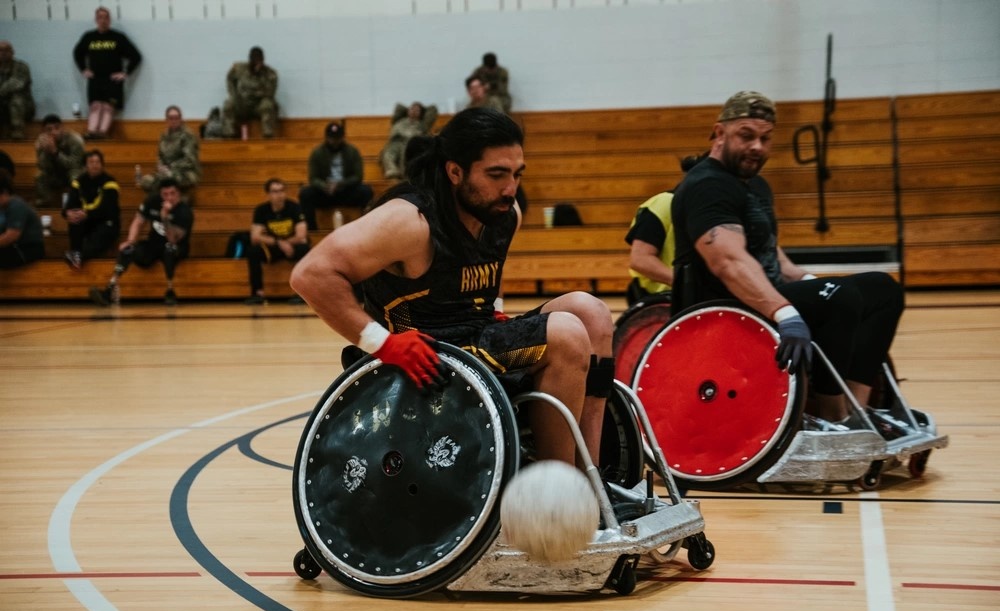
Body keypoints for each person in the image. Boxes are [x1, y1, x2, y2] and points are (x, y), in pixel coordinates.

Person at [290, 107, 615, 468]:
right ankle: (560, 494)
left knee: (592, 313)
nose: (510, 189)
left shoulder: (504, 214)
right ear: (455, 171)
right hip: (433, 358)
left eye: (516, 174)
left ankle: (593, 474)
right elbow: (311, 275)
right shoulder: (409, 221)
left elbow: (489, 266)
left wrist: (495, 305)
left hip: (478, 341)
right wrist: (382, 343)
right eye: (496, 175)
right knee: (565, 334)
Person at [670, 91, 905, 424]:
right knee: (840, 298)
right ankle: (833, 416)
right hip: (721, 308)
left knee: (882, 289)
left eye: (766, 139)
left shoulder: (756, 187)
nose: (758, 147)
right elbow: (728, 262)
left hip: (761, 298)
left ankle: (857, 410)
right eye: (746, 136)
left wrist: (811, 283)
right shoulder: (707, 186)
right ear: (719, 133)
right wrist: (786, 312)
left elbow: (775, 261)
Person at [89, 178, 193, 306]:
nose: (169, 198)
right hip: (154, 244)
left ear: (178, 194)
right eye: (165, 194)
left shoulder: (185, 211)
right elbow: (138, 221)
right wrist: (131, 240)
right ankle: (109, 289)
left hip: (177, 248)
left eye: (173, 193)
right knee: (128, 249)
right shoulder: (152, 201)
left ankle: (170, 291)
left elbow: (172, 239)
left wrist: (164, 217)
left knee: (169, 249)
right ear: (160, 194)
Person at [624, 153, 707, 305]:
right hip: (660, 301)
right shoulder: (663, 203)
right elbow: (640, 259)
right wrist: (684, 285)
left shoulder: (710, 210)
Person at [72, 6, 142, 140]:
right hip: (95, 79)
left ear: (109, 20)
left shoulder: (118, 38)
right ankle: (91, 132)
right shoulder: (89, 37)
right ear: (96, 19)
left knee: (108, 107)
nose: (103, 20)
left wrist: (125, 73)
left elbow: (136, 56)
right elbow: (77, 53)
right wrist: (83, 69)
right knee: (95, 106)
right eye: (100, 17)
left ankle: (102, 134)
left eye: (106, 17)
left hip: (112, 80)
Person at [298, 120, 374, 231]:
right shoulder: (317, 153)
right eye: (332, 138)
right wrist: (325, 186)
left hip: (346, 191)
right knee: (305, 194)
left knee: (366, 191)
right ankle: (312, 231)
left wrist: (340, 184)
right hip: (325, 193)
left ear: (342, 137)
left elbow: (358, 176)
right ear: (326, 137)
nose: (334, 141)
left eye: (337, 138)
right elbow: (313, 178)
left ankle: (367, 228)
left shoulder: (352, 151)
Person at [244, 178, 310, 305]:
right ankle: (257, 293)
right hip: (273, 247)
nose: (279, 195)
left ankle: (301, 293)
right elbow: (255, 237)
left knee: (305, 249)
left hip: (292, 246)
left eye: (281, 191)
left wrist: (287, 243)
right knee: (253, 251)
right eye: (275, 191)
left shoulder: (294, 207)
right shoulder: (261, 210)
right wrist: (279, 242)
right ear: (268, 194)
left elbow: (301, 235)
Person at [62, 149, 120, 269]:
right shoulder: (78, 182)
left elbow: (107, 209)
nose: (94, 165)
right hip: (87, 221)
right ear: (85, 166)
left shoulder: (110, 182)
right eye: (91, 162)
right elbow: (69, 204)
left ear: (102, 165)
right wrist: (67, 213)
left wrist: (87, 214)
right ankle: (77, 254)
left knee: (100, 235)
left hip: (106, 222)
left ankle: (79, 255)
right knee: (75, 219)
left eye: (97, 162)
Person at [138, 105, 200, 196]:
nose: (174, 120)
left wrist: (170, 167)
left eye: (176, 118)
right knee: (146, 181)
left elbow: (190, 160)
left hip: (186, 172)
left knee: (167, 179)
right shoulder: (164, 136)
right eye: (171, 118)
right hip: (166, 172)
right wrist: (161, 166)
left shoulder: (188, 135)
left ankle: (178, 201)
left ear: (181, 119)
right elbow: (160, 156)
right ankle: (160, 202)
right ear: (166, 120)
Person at [221, 46, 278, 139]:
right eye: (255, 61)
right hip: (242, 104)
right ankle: (228, 135)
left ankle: (268, 135)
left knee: (268, 104)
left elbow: (270, 93)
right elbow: (230, 78)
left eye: (260, 61)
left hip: (258, 105)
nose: (258, 64)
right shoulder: (239, 69)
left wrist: (254, 93)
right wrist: (234, 94)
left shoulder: (270, 74)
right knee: (228, 104)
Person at [34, 114, 86, 207]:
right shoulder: (41, 142)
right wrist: (45, 152)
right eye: (49, 130)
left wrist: (55, 152)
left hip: (71, 172)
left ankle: (76, 203)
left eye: (56, 128)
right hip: (55, 174)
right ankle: (45, 203)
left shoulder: (75, 140)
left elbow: (74, 164)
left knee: (76, 176)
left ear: (62, 128)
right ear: (44, 132)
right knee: (40, 175)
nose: (54, 132)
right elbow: (42, 166)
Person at [379, 102, 439, 180]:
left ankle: (405, 175)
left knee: (405, 152)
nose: (413, 111)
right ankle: (392, 170)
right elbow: (398, 107)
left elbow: (432, 110)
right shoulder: (399, 122)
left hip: (411, 145)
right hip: (396, 143)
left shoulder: (422, 125)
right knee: (388, 151)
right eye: (411, 109)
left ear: (421, 113)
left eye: (417, 110)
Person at [0, 170, 45, 268]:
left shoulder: (16, 206)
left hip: (28, 248)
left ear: (4, 192)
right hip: (12, 248)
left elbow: (11, 236)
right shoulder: (2, 208)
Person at [0, 41, 36, 140]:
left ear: (12, 52)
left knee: (16, 97)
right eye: (0, 50)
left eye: (6, 50)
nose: (3, 53)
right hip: (3, 108)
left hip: (24, 108)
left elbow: (15, 84)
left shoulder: (21, 67)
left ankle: (17, 132)